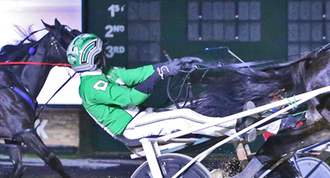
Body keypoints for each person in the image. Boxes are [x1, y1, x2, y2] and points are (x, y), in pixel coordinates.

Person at [66, 33, 236, 141]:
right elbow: (131, 97)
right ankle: (234, 128)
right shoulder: (90, 87)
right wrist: (160, 73)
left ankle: (235, 117)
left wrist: (173, 65)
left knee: (192, 104)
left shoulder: (109, 72)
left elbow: (141, 73)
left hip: (143, 116)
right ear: (94, 58)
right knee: (182, 116)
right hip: (132, 127)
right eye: (101, 53)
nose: (105, 55)